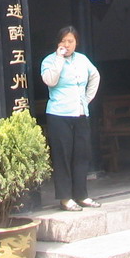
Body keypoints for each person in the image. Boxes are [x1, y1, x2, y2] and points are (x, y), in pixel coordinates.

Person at [41, 25, 101, 211]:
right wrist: (59, 59)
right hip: (59, 114)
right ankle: (65, 198)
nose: (67, 45)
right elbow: (50, 80)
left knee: (81, 155)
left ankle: (81, 195)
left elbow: (95, 76)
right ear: (58, 42)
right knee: (63, 156)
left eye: (71, 41)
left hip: (80, 112)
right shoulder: (49, 60)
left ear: (76, 43)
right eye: (64, 41)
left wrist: (87, 99)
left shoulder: (82, 59)